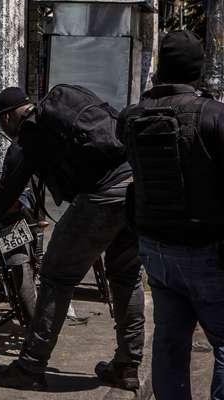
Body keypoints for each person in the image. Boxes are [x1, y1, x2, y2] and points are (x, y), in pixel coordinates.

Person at [0, 87, 145, 390]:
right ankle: (127, 365)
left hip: (102, 194)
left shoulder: (28, 138)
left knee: (57, 276)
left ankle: (29, 367)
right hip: (135, 186)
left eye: (2, 124)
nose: (5, 131)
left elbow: (2, 202)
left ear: (10, 116)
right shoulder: (62, 107)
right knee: (126, 275)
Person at [118, 30, 224, 400]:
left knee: (169, 342)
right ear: (198, 69)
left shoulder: (132, 116)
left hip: (155, 251)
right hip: (206, 252)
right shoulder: (213, 115)